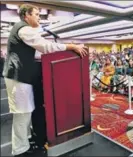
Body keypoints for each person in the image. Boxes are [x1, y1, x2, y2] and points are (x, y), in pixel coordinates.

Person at [2, 4, 88, 157]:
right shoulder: (24, 29)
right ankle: (20, 150)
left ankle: (23, 145)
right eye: (36, 14)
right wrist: (71, 46)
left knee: (25, 113)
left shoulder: (24, 29)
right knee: (22, 114)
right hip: (18, 77)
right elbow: (46, 47)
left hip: (21, 77)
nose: (39, 17)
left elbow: (36, 53)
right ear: (26, 15)